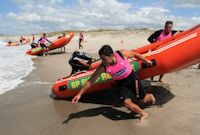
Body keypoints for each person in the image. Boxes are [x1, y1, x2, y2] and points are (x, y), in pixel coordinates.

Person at [72, 45, 155, 122]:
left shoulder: (122, 54)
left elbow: (134, 54)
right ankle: (143, 113)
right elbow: (91, 80)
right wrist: (80, 94)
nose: (103, 61)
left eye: (104, 59)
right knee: (126, 103)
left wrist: (146, 60)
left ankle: (150, 97)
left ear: (111, 56)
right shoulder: (102, 67)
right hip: (121, 84)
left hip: (132, 78)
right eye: (101, 59)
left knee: (143, 100)